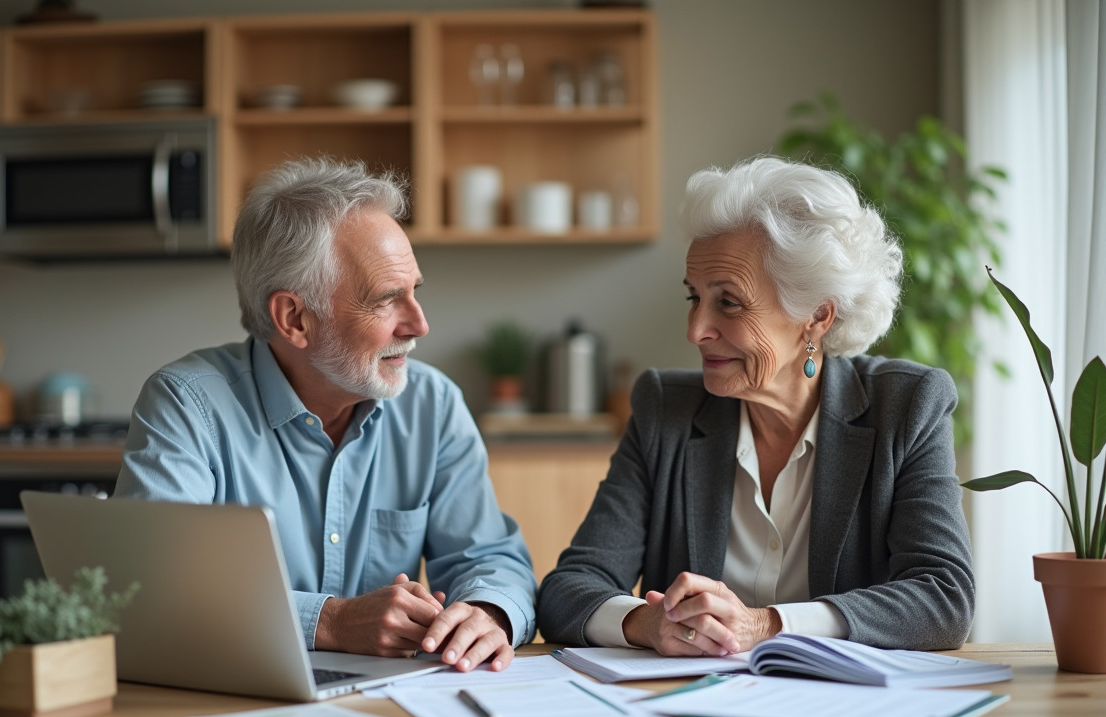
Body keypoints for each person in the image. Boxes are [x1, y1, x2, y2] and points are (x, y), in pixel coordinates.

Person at [536, 156, 974, 656]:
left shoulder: (906, 408)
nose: (695, 330)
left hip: (851, 716)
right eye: (693, 298)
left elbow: (945, 598)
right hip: (687, 716)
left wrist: (766, 625)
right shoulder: (665, 411)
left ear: (816, 315)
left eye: (729, 302)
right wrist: (646, 623)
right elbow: (569, 589)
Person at [114, 156, 536, 672]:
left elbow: (491, 558)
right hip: (231, 709)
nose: (420, 324)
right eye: (386, 300)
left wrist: (486, 612)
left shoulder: (434, 404)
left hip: (391, 711)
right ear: (294, 318)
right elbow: (150, 588)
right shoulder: (186, 405)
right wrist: (329, 622)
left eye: (415, 293)